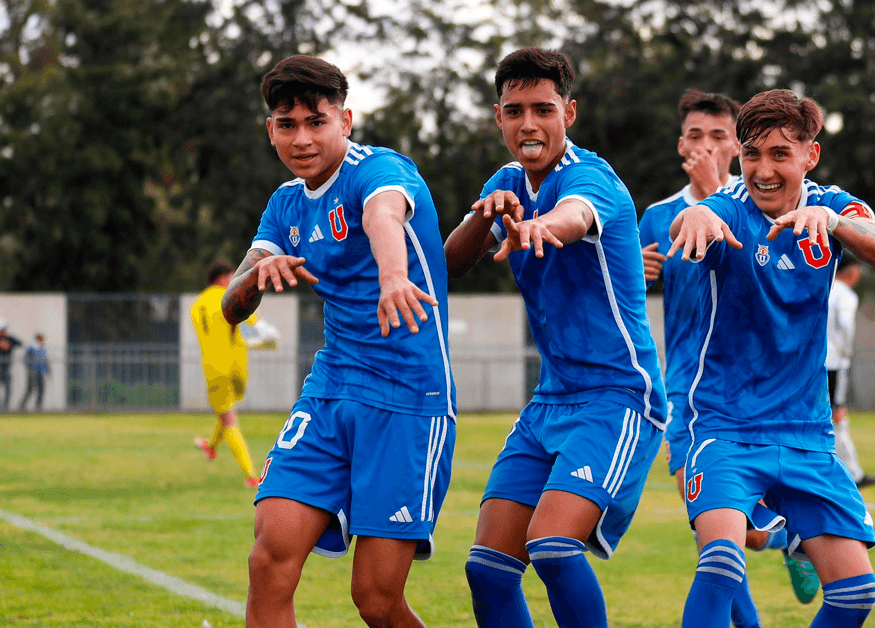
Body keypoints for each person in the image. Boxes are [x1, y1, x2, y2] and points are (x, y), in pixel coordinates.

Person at [221, 55, 456, 628]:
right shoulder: (285, 204)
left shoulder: (379, 170)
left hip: (408, 399)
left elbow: (383, 214)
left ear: (345, 121)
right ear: (270, 129)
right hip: (330, 391)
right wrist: (254, 277)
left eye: (316, 122)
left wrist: (394, 276)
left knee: (376, 600)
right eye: (286, 124)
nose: (302, 138)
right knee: (269, 555)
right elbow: (232, 304)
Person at [444, 48, 666, 628]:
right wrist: (482, 216)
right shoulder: (507, 184)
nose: (528, 125)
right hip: (551, 400)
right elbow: (446, 267)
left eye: (543, 109)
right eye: (514, 111)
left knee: (552, 544)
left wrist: (542, 225)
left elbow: (577, 214)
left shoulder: (592, 180)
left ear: (569, 112)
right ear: (498, 117)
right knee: (487, 568)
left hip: (619, 399)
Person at [666, 89, 875, 628]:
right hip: (725, 428)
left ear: (809, 156)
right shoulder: (729, 208)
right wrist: (694, 218)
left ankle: (787, 535)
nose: (763, 170)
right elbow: (696, 219)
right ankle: (778, 536)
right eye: (751, 155)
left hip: (807, 435)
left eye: (779, 154)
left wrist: (834, 223)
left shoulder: (833, 206)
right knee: (722, 559)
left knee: (856, 594)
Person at [639, 88, 819, 619]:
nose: (707, 146)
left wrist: (715, 194)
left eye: (719, 137)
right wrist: (639, 271)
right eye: (696, 136)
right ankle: (784, 548)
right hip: (692, 390)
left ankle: (788, 538)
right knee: (716, 539)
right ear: (681, 145)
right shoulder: (658, 215)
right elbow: (626, 285)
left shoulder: (762, 205)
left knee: (740, 540)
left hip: (761, 393)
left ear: (737, 145)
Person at [190, 261, 277, 488]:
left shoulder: (197, 305)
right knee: (228, 413)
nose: (234, 281)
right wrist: (261, 327)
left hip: (214, 370)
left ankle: (251, 476)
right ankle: (212, 448)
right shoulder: (227, 297)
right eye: (232, 277)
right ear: (222, 280)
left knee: (228, 418)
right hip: (237, 368)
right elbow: (241, 312)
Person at [826, 258, 875, 489]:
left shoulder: (822, 286)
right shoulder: (846, 295)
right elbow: (846, 325)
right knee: (838, 414)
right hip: (834, 362)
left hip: (808, 361)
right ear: (853, 272)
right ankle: (853, 473)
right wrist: (847, 352)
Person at [19, 333, 50, 411]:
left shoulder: (43, 349)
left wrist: (47, 370)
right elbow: (26, 359)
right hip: (33, 371)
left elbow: (45, 360)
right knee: (31, 389)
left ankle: (38, 406)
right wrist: (29, 369)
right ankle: (22, 405)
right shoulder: (31, 348)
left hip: (40, 372)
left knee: (41, 389)